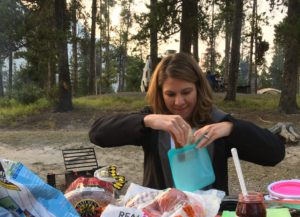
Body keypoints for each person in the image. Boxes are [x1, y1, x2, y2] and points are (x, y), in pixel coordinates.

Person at [89, 52, 285, 195]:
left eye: (186, 92)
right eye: (170, 94)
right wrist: (147, 120)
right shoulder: (152, 125)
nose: (179, 102)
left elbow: (275, 153)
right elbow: (97, 134)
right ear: (160, 93)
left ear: (198, 89)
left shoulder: (216, 122)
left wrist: (232, 128)